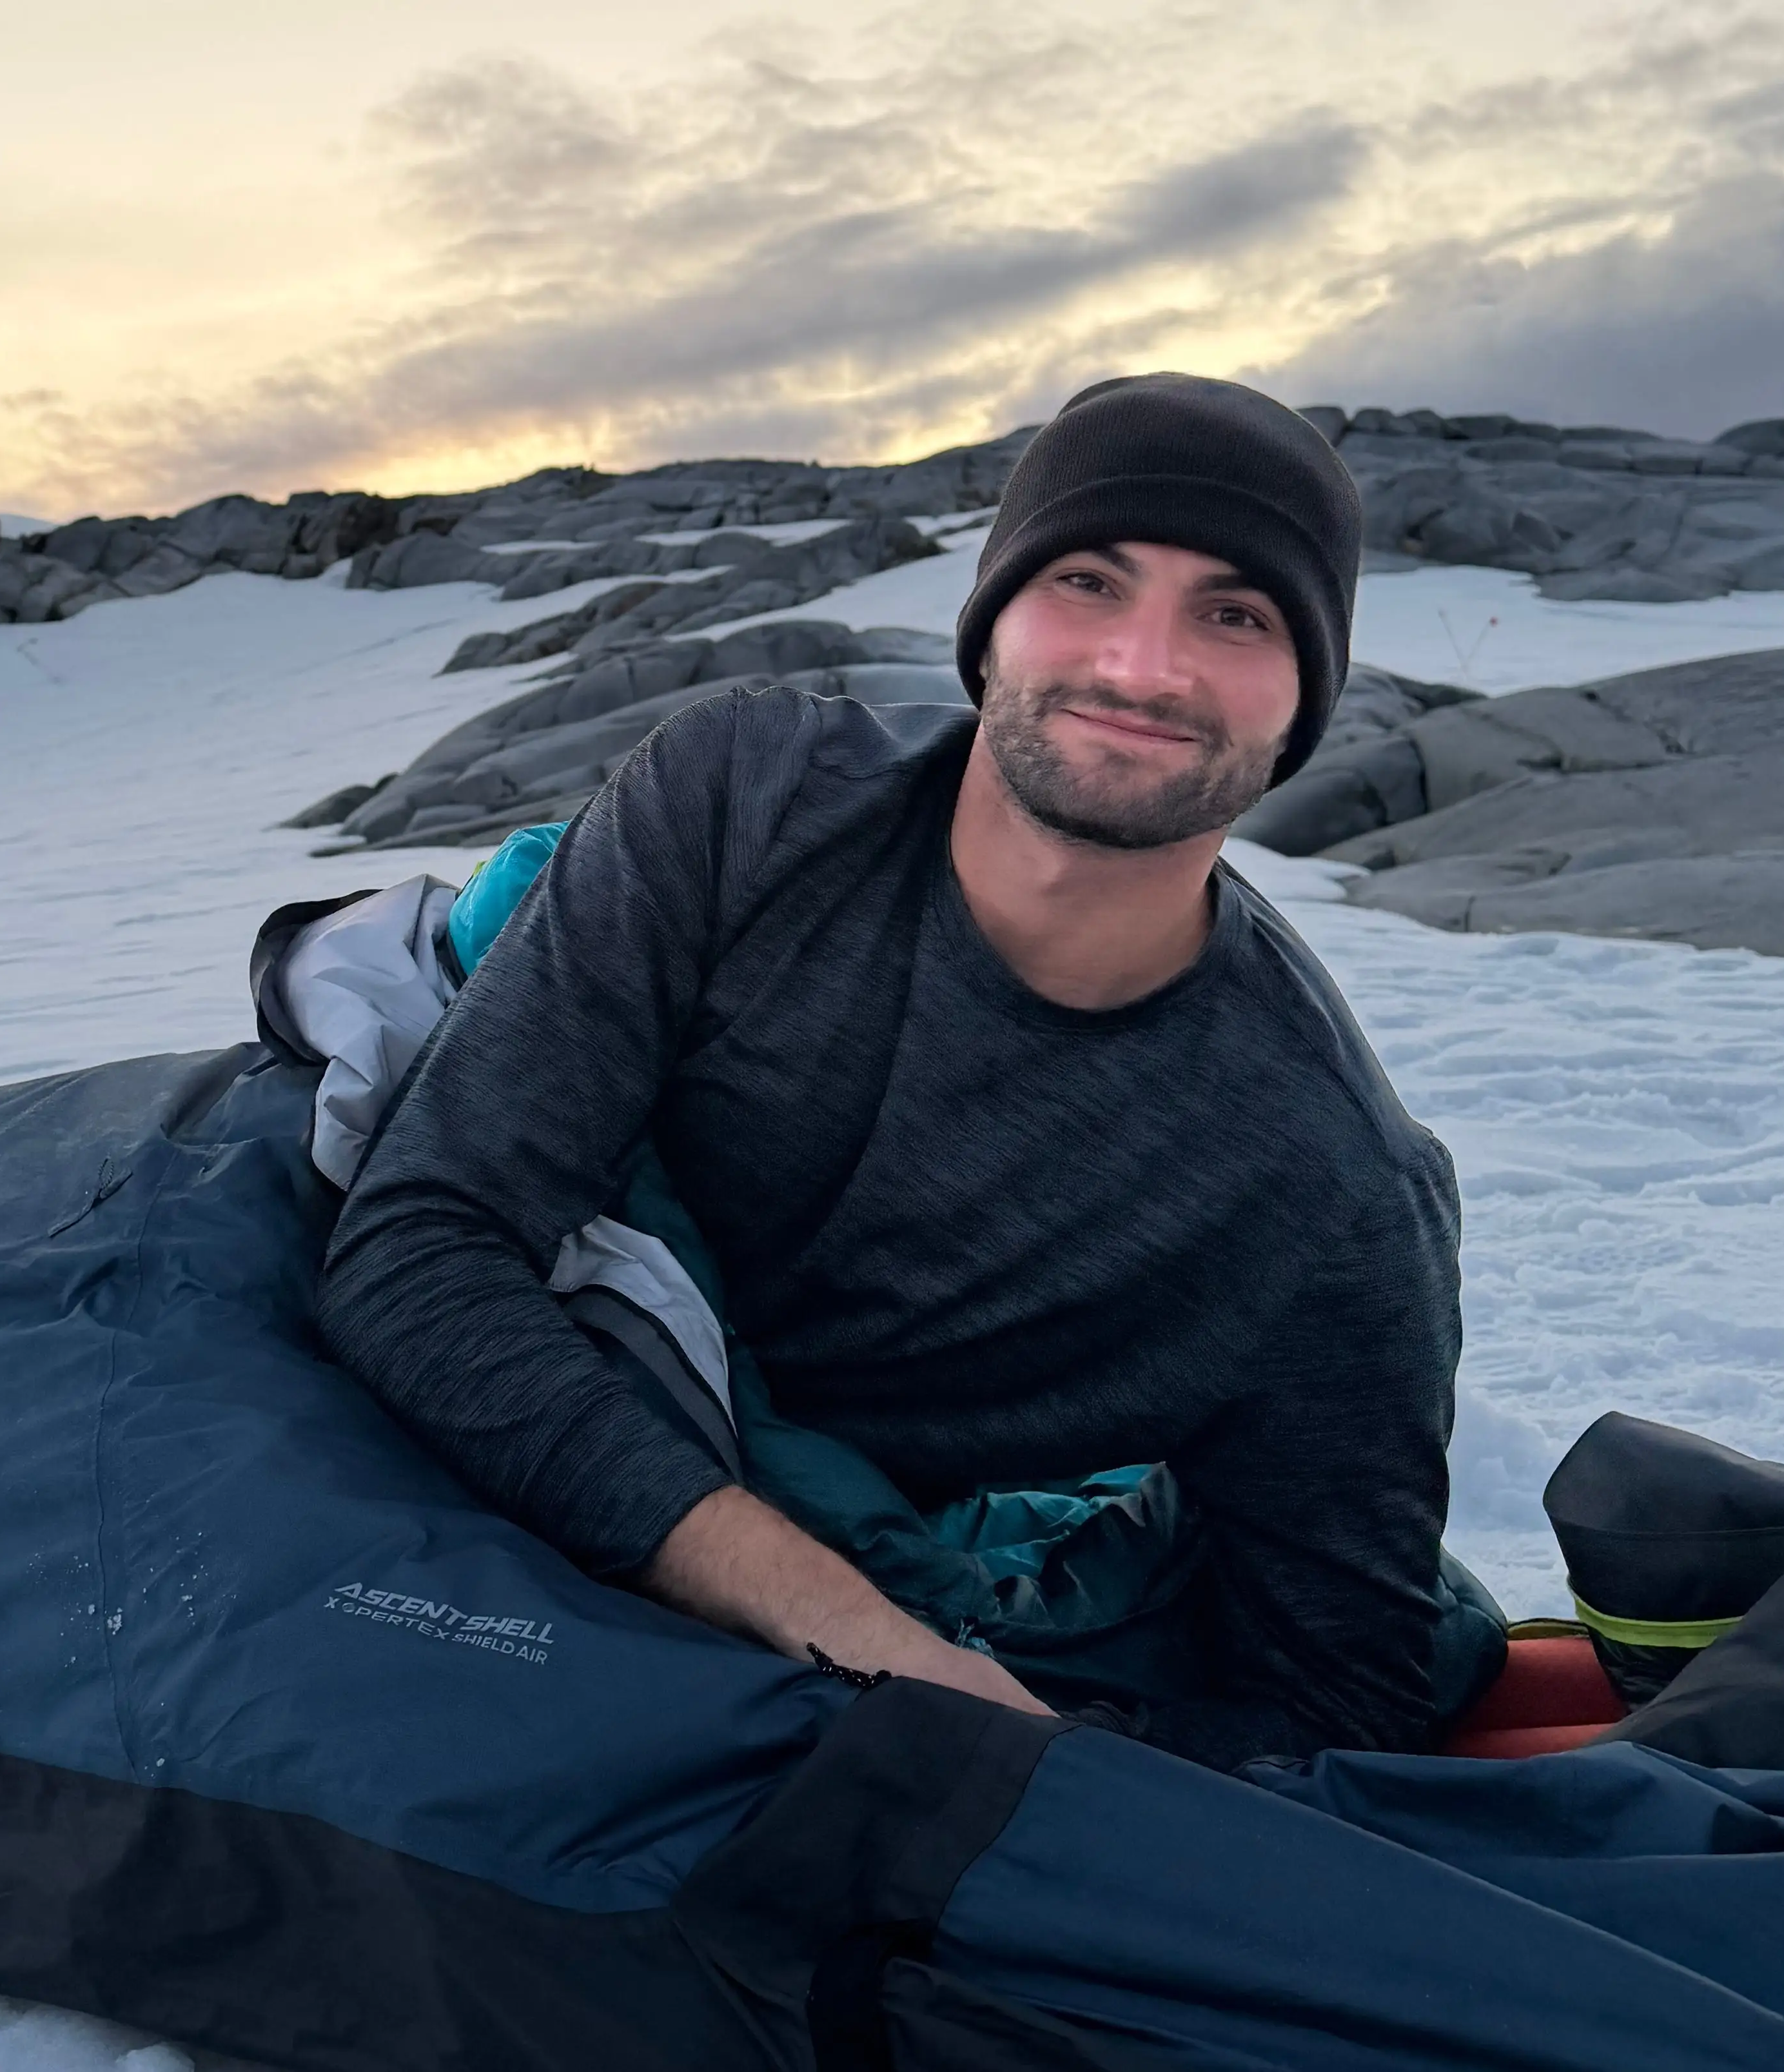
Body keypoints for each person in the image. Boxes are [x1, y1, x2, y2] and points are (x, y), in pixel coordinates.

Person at [319, 373, 1462, 1758]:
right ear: (991, 627)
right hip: (672, 1507)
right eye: (1090, 581)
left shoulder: (1325, 1194)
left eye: (1236, 614)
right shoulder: (745, 801)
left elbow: (1341, 1696)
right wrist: (870, 1640)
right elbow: (422, 1242)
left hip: (847, 1560)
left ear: (1304, 699)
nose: (1144, 666)